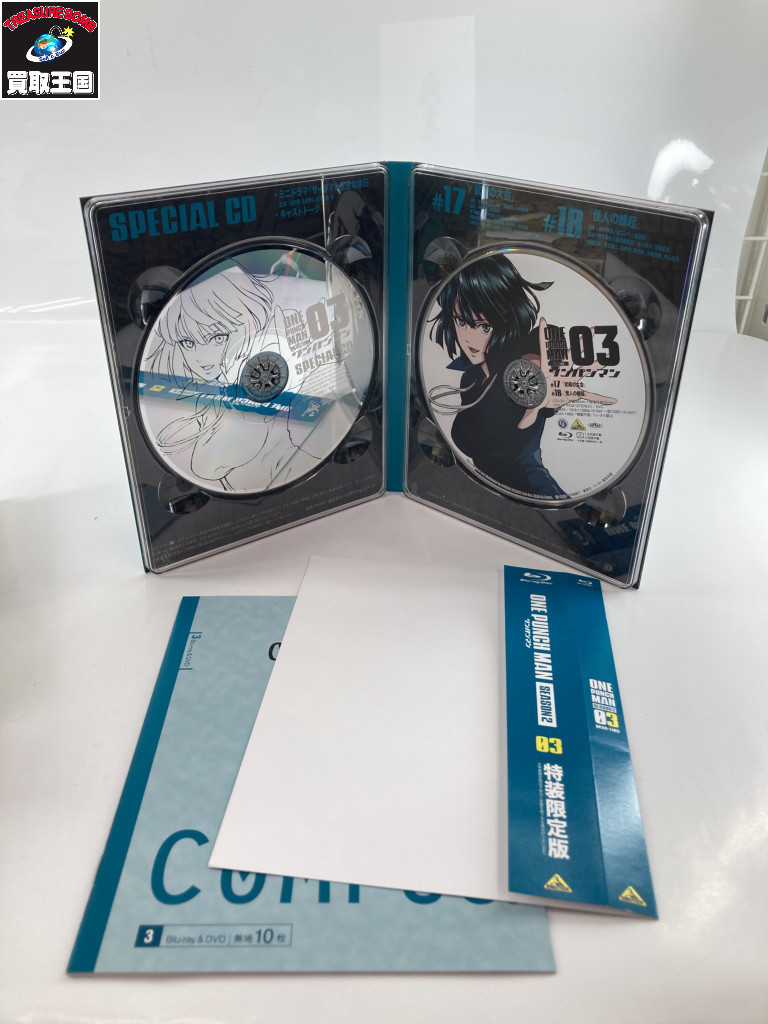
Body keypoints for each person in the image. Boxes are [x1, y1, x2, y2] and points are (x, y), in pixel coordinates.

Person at [428, 253, 615, 499]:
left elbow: (536, 355)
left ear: (508, 320)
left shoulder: (524, 356)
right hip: (481, 487)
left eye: (484, 327)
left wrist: (539, 393)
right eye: (461, 322)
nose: (469, 338)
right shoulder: (470, 378)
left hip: (531, 486)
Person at [142, 258, 279, 492]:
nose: (202, 359)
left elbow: (206, 467)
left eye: (218, 338)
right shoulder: (205, 398)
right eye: (187, 343)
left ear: (253, 323)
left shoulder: (252, 411)